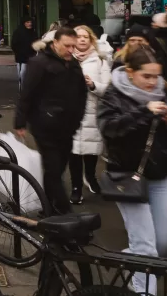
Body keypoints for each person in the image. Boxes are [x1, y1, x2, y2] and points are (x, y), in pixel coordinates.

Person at [96, 46, 167, 296]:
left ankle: (129, 261)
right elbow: (110, 129)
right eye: (146, 76)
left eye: (156, 76)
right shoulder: (114, 95)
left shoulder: (162, 92)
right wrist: (145, 112)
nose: (152, 82)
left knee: (165, 241)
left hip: (161, 175)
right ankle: (143, 291)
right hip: (127, 177)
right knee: (146, 248)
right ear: (131, 72)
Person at [14, 26, 86, 215]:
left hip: (68, 126)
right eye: (67, 46)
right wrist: (20, 122)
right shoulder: (39, 63)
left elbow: (81, 94)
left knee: (57, 169)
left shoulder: (73, 64)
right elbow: (26, 94)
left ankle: (48, 207)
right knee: (54, 170)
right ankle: (66, 214)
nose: (71, 50)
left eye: (73, 46)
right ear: (55, 43)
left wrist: (78, 118)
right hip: (45, 126)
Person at [69, 26, 112, 204]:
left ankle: (91, 177)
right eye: (78, 37)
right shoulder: (66, 58)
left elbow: (108, 89)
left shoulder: (100, 60)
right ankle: (76, 187)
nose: (82, 40)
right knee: (74, 152)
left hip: (92, 112)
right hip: (70, 113)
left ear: (91, 39)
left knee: (91, 150)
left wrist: (92, 84)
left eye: (86, 37)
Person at [11, 17, 36, 93]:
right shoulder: (18, 32)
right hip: (21, 57)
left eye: (30, 22)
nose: (29, 24)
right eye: (27, 22)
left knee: (28, 74)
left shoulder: (33, 32)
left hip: (31, 56)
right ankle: (22, 89)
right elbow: (14, 44)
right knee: (22, 74)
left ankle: (26, 89)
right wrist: (18, 52)